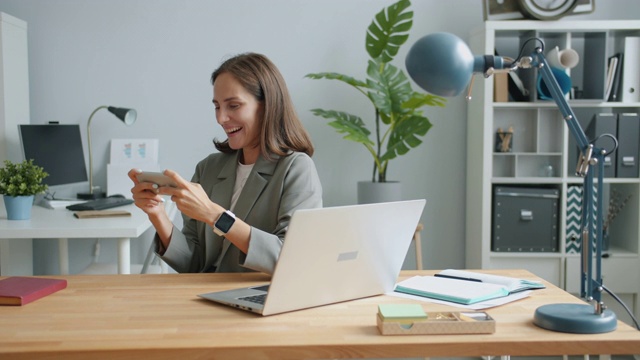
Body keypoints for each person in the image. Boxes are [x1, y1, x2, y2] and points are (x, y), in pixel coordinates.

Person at [128, 53, 323, 274]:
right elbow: (194, 264)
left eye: (234, 105)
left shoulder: (296, 169)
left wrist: (214, 215)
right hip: (205, 298)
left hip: (258, 300)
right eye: (217, 106)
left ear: (267, 105)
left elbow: (292, 260)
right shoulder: (208, 168)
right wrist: (158, 215)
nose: (221, 118)